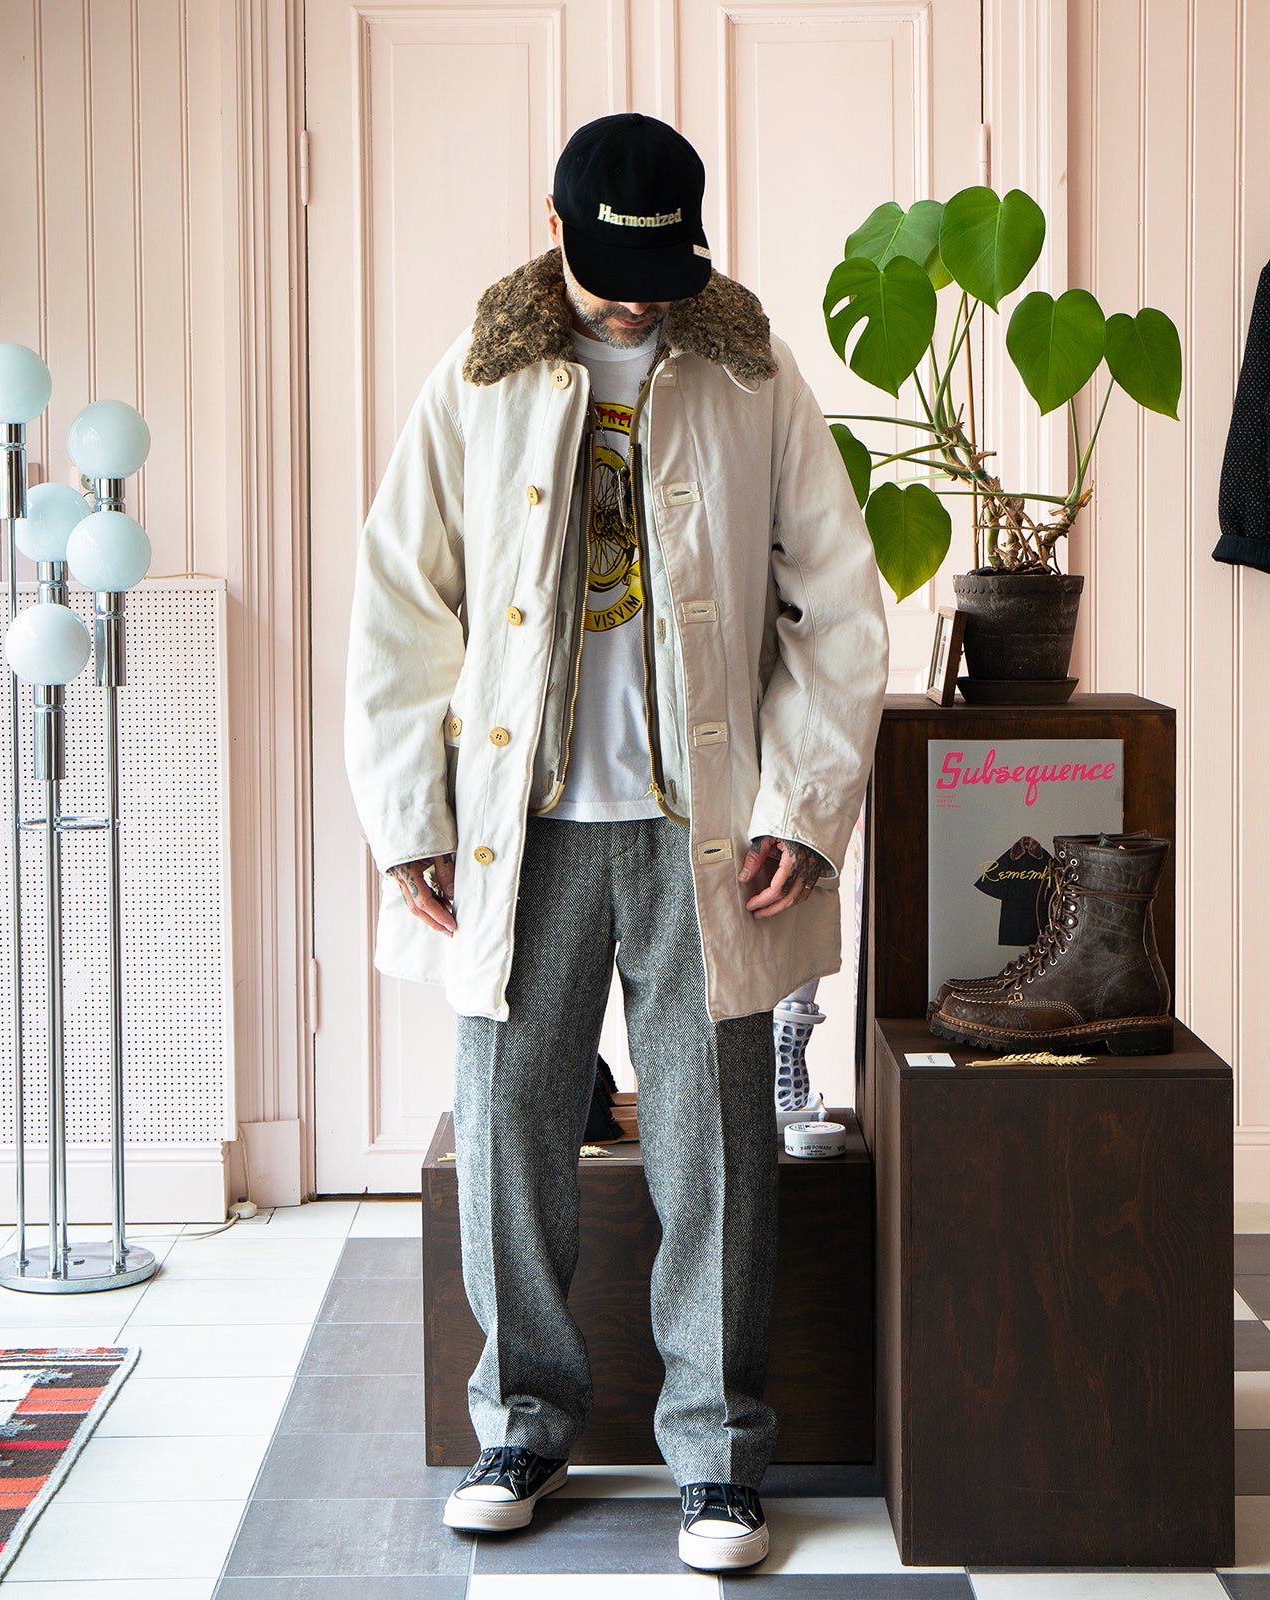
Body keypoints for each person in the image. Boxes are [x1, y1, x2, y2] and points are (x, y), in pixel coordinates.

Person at [344, 112, 888, 1572]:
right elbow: (399, 601)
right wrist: (408, 820)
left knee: (717, 1149)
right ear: (555, 227)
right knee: (509, 1129)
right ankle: (521, 1425)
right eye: (609, 277)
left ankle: (719, 1455)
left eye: (658, 277)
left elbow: (840, 604)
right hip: (518, 830)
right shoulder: (482, 376)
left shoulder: (752, 375)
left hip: (703, 830)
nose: (634, 306)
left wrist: (802, 811)